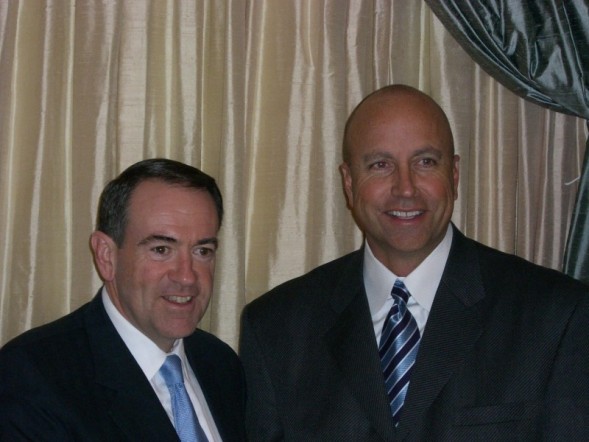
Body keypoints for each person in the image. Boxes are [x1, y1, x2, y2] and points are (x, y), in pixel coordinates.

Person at [239, 85, 589, 440]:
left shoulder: (556, 316)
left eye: (425, 162)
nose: (405, 188)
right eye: (380, 165)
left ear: (454, 175)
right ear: (349, 183)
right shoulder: (276, 329)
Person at [0, 158, 246, 441]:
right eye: (161, 249)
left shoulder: (220, 363)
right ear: (106, 256)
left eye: (202, 251)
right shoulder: (34, 376)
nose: (187, 276)